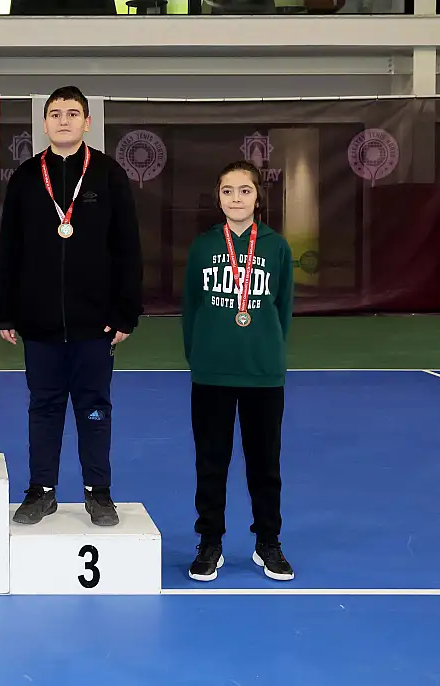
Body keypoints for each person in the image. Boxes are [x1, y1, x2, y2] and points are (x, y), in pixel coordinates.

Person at [0, 85, 142, 527]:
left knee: (94, 407)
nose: (63, 120)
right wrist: (5, 309)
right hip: (38, 323)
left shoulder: (109, 174)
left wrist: (125, 311)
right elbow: (9, 247)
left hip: (95, 323)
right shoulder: (25, 177)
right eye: (55, 113)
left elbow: (128, 247)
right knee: (44, 407)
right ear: (44, 123)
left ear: (87, 122)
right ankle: (41, 490)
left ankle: (99, 492)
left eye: (72, 113)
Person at [182, 160, 295, 582]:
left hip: (262, 374)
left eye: (244, 190)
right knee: (211, 462)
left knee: (265, 464)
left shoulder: (276, 247)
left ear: (258, 197)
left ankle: (268, 542)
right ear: (218, 197)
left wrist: (270, 353)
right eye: (227, 191)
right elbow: (191, 307)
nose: (236, 198)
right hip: (212, 373)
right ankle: (210, 541)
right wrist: (200, 357)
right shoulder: (203, 246)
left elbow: (283, 308)